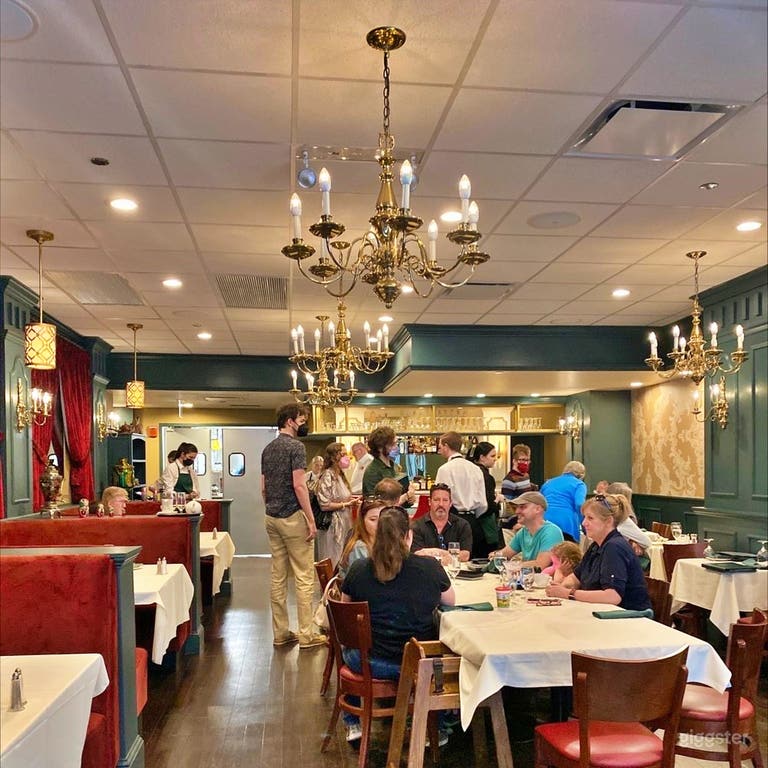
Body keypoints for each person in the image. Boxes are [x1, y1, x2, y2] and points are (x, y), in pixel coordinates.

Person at [341, 505, 454, 742]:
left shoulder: (360, 569)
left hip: (371, 661)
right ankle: (438, 726)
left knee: (348, 649)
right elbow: (450, 602)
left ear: (377, 535)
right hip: (419, 663)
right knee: (443, 657)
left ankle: (352, 722)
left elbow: (346, 615)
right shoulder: (430, 568)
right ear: (409, 536)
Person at [260, 403, 326, 650]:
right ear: (290, 421)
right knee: (303, 575)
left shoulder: (267, 449)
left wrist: (272, 507)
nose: (304, 423)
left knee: (278, 576)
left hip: (272, 517)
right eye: (302, 418)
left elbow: (263, 488)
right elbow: (299, 485)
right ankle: (307, 634)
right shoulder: (296, 447)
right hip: (293, 516)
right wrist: (310, 519)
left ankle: (280, 632)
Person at [545, 494, 651, 611]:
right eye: (584, 517)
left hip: (627, 617)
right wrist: (560, 587)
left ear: (608, 521)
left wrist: (568, 593)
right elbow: (576, 578)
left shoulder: (614, 547)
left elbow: (613, 596)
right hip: (601, 611)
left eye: (590, 518)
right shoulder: (596, 545)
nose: (584, 523)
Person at [435, 432, 487, 559]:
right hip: (474, 521)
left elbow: (440, 500)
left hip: (453, 521)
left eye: (440, 446)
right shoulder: (476, 469)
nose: (439, 449)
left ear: (446, 446)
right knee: (471, 562)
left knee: (452, 560)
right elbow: (483, 503)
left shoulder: (445, 469)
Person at [489, 491, 563, 569]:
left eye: (522, 507)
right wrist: (495, 554)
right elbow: (504, 554)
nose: (517, 511)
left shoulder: (552, 532)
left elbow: (541, 565)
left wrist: (512, 565)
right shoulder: (523, 532)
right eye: (516, 507)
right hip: (528, 579)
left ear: (537, 509)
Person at [315, 442, 358, 567]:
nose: (347, 458)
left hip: (345, 520)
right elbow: (324, 504)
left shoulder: (340, 475)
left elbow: (343, 497)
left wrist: (352, 502)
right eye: (343, 454)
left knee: (344, 555)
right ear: (334, 457)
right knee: (334, 556)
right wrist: (345, 504)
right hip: (333, 524)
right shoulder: (328, 475)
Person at [411, 483, 472, 564]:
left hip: (457, 573)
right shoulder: (416, 526)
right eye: (436, 500)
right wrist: (450, 555)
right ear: (429, 502)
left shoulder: (462, 525)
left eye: (445, 500)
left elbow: (465, 555)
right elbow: (417, 555)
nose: (441, 504)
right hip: (427, 573)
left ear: (450, 503)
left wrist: (435, 553)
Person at [467, 441, 504, 557]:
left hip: (471, 523)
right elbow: (488, 506)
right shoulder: (486, 477)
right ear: (482, 457)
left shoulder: (469, 473)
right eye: (492, 456)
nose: (495, 459)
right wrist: (498, 499)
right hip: (485, 527)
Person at [361, 426, 414, 507]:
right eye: (392, 445)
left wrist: (410, 498)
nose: (396, 447)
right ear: (380, 448)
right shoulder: (372, 472)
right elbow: (372, 505)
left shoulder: (395, 466)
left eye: (396, 443)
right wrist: (405, 497)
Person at [541, 460, 587, 542]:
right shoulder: (579, 484)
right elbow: (580, 504)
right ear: (581, 475)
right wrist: (584, 525)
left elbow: (539, 500)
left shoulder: (548, 483)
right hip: (566, 522)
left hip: (545, 520)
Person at [337, 498, 381, 580]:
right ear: (362, 521)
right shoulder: (359, 548)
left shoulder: (383, 542)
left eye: (383, 518)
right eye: (373, 519)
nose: (379, 523)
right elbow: (361, 582)